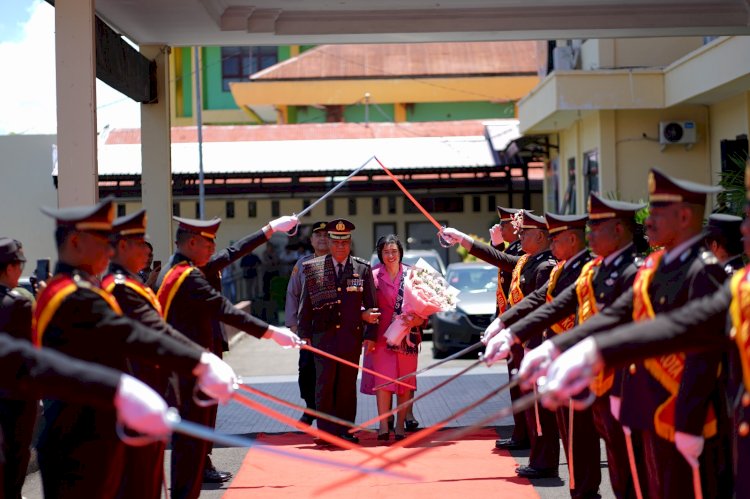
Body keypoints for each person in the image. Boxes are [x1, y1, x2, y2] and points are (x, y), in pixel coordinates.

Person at [522, 168, 732, 499]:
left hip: (680, 411)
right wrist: (563, 348)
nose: (648, 220)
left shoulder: (704, 271)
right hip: (646, 402)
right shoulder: (657, 267)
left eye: (658, 212)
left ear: (684, 216)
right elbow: (618, 314)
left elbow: (701, 353)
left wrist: (689, 423)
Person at [32, 197, 235, 499]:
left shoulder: (69, 289)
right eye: (103, 241)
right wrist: (200, 362)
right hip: (81, 435)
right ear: (76, 242)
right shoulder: (76, 296)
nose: (110, 250)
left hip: (85, 429)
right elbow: (133, 335)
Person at [484, 193, 646, 499]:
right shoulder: (595, 270)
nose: (590, 235)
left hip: (622, 379)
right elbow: (551, 304)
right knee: (591, 447)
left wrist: (556, 347)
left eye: (596, 228)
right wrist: (509, 329)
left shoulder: (633, 271)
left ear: (619, 231)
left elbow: (613, 317)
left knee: (628, 464)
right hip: (592, 373)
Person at [155, 215, 301, 499]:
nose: (213, 248)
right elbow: (225, 309)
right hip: (189, 373)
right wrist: (272, 333)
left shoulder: (178, 270)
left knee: (191, 443)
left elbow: (231, 255)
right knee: (190, 444)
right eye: (208, 242)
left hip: (187, 368)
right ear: (192, 242)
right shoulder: (187, 277)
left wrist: (269, 229)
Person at [442, 211, 560, 478]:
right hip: (524, 342)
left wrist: (527, 341)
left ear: (540, 236)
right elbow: (500, 258)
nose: (519, 236)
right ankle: (538, 457)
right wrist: (463, 240)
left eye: (524, 233)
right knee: (530, 406)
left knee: (540, 408)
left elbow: (542, 311)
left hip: (535, 344)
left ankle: (545, 461)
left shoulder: (545, 267)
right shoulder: (529, 261)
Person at [102, 209, 204, 499]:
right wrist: (201, 360)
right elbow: (154, 333)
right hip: (137, 392)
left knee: (148, 477)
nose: (147, 252)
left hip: (150, 389)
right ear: (122, 247)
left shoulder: (132, 284)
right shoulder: (120, 288)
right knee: (138, 481)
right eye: (140, 245)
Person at [297, 219, 379, 444]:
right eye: (335, 242)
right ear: (329, 243)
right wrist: (304, 335)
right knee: (323, 385)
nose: (340, 247)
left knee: (346, 386)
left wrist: (371, 335)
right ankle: (325, 433)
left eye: (344, 242)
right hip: (323, 337)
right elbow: (306, 306)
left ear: (350, 242)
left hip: (350, 339)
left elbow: (373, 306)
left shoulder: (361, 268)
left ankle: (345, 431)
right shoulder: (314, 268)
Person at [361, 235, 425, 441]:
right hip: (381, 337)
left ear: (400, 253)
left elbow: (426, 305)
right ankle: (383, 425)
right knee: (383, 381)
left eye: (394, 251)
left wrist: (420, 320)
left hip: (407, 335)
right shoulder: (372, 275)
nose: (390, 255)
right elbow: (363, 304)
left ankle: (399, 426)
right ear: (380, 254)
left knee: (405, 381)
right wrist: (365, 314)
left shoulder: (412, 275)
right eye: (386, 252)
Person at [0, 237, 36, 499]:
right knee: (15, 458)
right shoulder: (18, 304)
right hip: (16, 398)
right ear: (10, 267)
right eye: (20, 263)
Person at [285, 221, 330, 424]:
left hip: (331, 330)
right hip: (308, 330)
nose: (322, 239)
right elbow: (292, 295)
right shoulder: (301, 264)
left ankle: (328, 413)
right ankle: (310, 407)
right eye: (317, 235)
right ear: (311, 240)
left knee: (329, 372)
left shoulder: (339, 263)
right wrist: (293, 325)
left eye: (325, 235)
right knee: (306, 370)